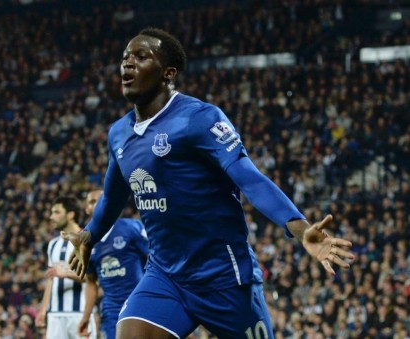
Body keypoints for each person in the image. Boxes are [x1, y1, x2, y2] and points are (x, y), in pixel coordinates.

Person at [62, 27, 355, 338]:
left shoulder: (198, 118)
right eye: (125, 58)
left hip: (224, 277)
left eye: (141, 57)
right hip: (165, 276)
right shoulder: (119, 134)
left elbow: (249, 178)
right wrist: (88, 236)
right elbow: (111, 196)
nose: (127, 64)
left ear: (167, 73)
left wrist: (299, 228)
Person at [77, 190, 149, 339]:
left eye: (100, 200)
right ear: (87, 209)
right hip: (112, 312)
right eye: (91, 201)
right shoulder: (86, 243)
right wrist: (86, 316)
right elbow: (91, 282)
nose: (96, 204)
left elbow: (154, 258)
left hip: (140, 304)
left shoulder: (132, 227)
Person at [35, 196, 97, 339]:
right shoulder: (53, 244)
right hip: (55, 314)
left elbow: (94, 278)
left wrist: (66, 273)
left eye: (57, 212)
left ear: (70, 214)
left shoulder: (86, 240)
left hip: (80, 312)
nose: (51, 217)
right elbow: (51, 278)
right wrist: (43, 309)